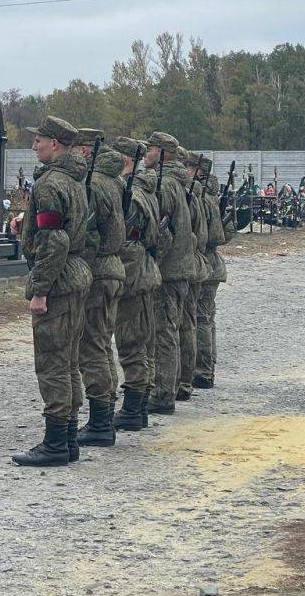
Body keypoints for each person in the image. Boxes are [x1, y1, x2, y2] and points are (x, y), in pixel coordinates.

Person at [11, 116, 92, 467]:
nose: (34, 146)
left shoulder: (49, 184)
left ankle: (55, 444)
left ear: (55, 144)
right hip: (75, 275)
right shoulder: (74, 181)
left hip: (58, 282)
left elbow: (55, 240)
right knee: (69, 361)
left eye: (39, 140)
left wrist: (40, 290)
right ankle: (69, 439)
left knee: (52, 363)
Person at [71, 129, 125, 447]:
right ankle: (104, 416)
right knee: (103, 346)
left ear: (85, 150)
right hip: (113, 269)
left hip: (98, 271)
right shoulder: (113, 182)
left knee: (92, 348)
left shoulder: (93, 185)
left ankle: (100, 421)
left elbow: (89, 234)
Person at [111, 137, 162, 431]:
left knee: (131, 344)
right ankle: (138, 407)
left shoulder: (133, 194)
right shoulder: (145, 191)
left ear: (126, 161)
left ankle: (132, 408)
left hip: (133, 276)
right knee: (141, 343)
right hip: (144, 272)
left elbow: (126, 240)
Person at [142, 133, 194, 415]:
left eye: (150, 149)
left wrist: (151, 261)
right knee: (170, 331)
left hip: (166, 272)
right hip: (179, 270)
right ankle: (169, 388)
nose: (146, 153)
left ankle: (163, 394)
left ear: (162, 153)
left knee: (162, 333)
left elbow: (161, 233)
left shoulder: (165, 185)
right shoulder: (178, 182)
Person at [177, 149, 211, 401]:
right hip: (198, 264)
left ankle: (192, 376)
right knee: (198, 320)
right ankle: (197, 374)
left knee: (191, 322)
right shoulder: (197, 196)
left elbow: (216, 234)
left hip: (191, 265)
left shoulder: (196, 197)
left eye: (189, 167)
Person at [194, 157, 228, 389]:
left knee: (201, 320)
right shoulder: (214, 197)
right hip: (213, 264)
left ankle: (203, 372)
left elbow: (215, 236)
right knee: (207, 319)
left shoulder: (204, 199)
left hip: (206, 264)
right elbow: (229, 232)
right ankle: (207, 367)